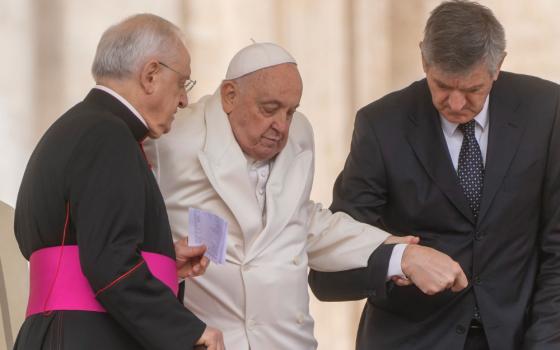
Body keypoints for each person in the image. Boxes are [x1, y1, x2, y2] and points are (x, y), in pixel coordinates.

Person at [144, 41, 467, 349]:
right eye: (269, 109)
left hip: (288, 338)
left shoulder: (299, 134)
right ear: (229, 96)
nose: (281, 126)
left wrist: (399, 254)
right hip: (212, 338)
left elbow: (302, 223)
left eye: (290, 111)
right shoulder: (173, 138)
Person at [308, 1, 560, 349]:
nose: (456, 104)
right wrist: (400, 261)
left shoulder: (546, 111)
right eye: (442, 85)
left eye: (473, 90)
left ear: (498, 66)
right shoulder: (380, 126)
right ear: (424, 60)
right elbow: (328, 269)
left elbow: (556, 248)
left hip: (520, 338)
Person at [14, 14, 223, 350]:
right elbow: (109, 262)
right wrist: (189, 331)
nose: (184, 100)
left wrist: (163, 264)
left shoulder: (74, 127)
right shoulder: (108, 135)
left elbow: (80, 249)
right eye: (183, 82)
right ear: (151, 75)